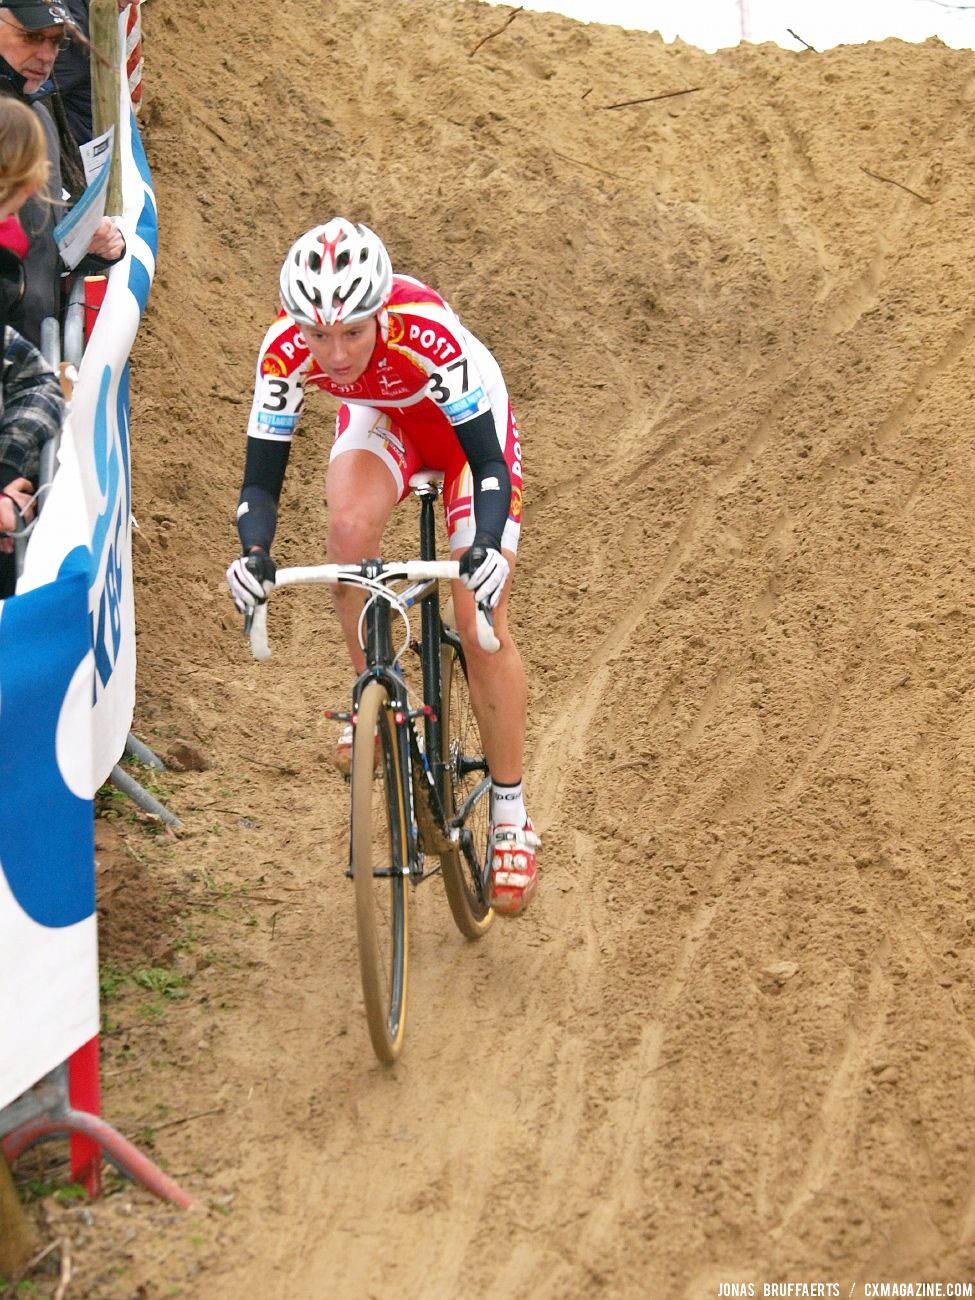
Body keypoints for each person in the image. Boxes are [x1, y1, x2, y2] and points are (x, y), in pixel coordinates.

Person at [226, 218, 541, 917]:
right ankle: (374, 688)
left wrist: (483, 546)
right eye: (318, 336)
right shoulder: (284, 349)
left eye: (351, 334)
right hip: (385, 420)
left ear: (379, 316)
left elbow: (487, 461)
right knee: (345, 530)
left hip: (467, 438)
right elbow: (259, 484)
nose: (333, 355)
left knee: (477, 615)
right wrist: (254, 556)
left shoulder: (425, 330)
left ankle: (513, 814)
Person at [0, 0, 123, 346]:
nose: (45, 54)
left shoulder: (37, 109)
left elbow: (40, 222)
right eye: (32, 36)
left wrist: (87, 240)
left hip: (35, 347)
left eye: (56, 41)